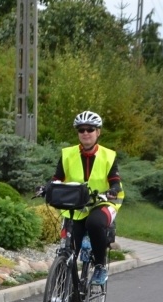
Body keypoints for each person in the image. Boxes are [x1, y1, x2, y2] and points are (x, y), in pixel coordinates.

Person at [49, 110, 124, 287]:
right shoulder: (68, 154)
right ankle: (66, 286)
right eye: (81, 130)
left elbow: (115, 182)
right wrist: (47, 187)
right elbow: (57, 178)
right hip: (78, 205)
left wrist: (112, 190)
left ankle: (99, 266)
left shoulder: (108, 155)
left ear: (98, 132)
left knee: (94, 223)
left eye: (90, 129)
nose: (85, 133)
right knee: (69, 245)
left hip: (104, 202)